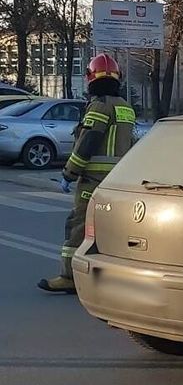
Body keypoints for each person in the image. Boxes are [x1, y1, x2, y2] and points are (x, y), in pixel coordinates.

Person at [38, 54, 137, 294]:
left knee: (79, 226)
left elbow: (87, 142)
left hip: (93, 181)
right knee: (113, 229)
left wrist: (69, 174)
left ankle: (69, 276)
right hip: (118, 182)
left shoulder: (99, 105)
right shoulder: (126, 108)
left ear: (91, 79)